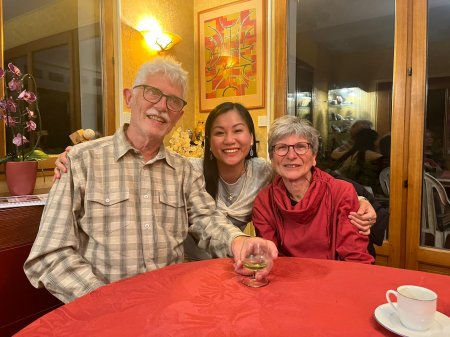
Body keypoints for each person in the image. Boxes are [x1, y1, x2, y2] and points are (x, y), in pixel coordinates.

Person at [24, 57, 277, 304]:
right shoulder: (81, 161)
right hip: (104, 313)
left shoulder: (183, 170)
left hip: (171, 306)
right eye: (152, 93)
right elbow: (50, 254)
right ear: (129, 97)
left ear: (179, 115)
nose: (162, 106)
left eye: (174, 101)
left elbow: (207, 220)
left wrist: (240, 241)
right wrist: (101, 300)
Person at [54, 102, 380, 260]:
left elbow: (316, 176)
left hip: (236, 266)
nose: (230, 140)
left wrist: (362, 200)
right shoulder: (188, 170)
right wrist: (78, 157)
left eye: (238, 130)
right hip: (189, 270)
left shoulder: (265, 170)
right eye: (219, 132)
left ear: (251, 138)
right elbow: (141, 168)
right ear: (209, 140)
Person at [252, 115, 374, 263]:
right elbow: (269, 259)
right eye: (282, 147)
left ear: (314, 156)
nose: (291, 155)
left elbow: (356, 259)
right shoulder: (264, 201)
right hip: (286, 280)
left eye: (301, 147)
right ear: (272, 157)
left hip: (335, 281)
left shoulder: (341, 192)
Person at [333, 128, 383, 195]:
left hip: (352, 188)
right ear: (373, 140)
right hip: (364, 190)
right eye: (378, 139)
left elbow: (334, 155)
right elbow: (387, 159)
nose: (379, 141)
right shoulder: (368, 154)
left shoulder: (354, 153)